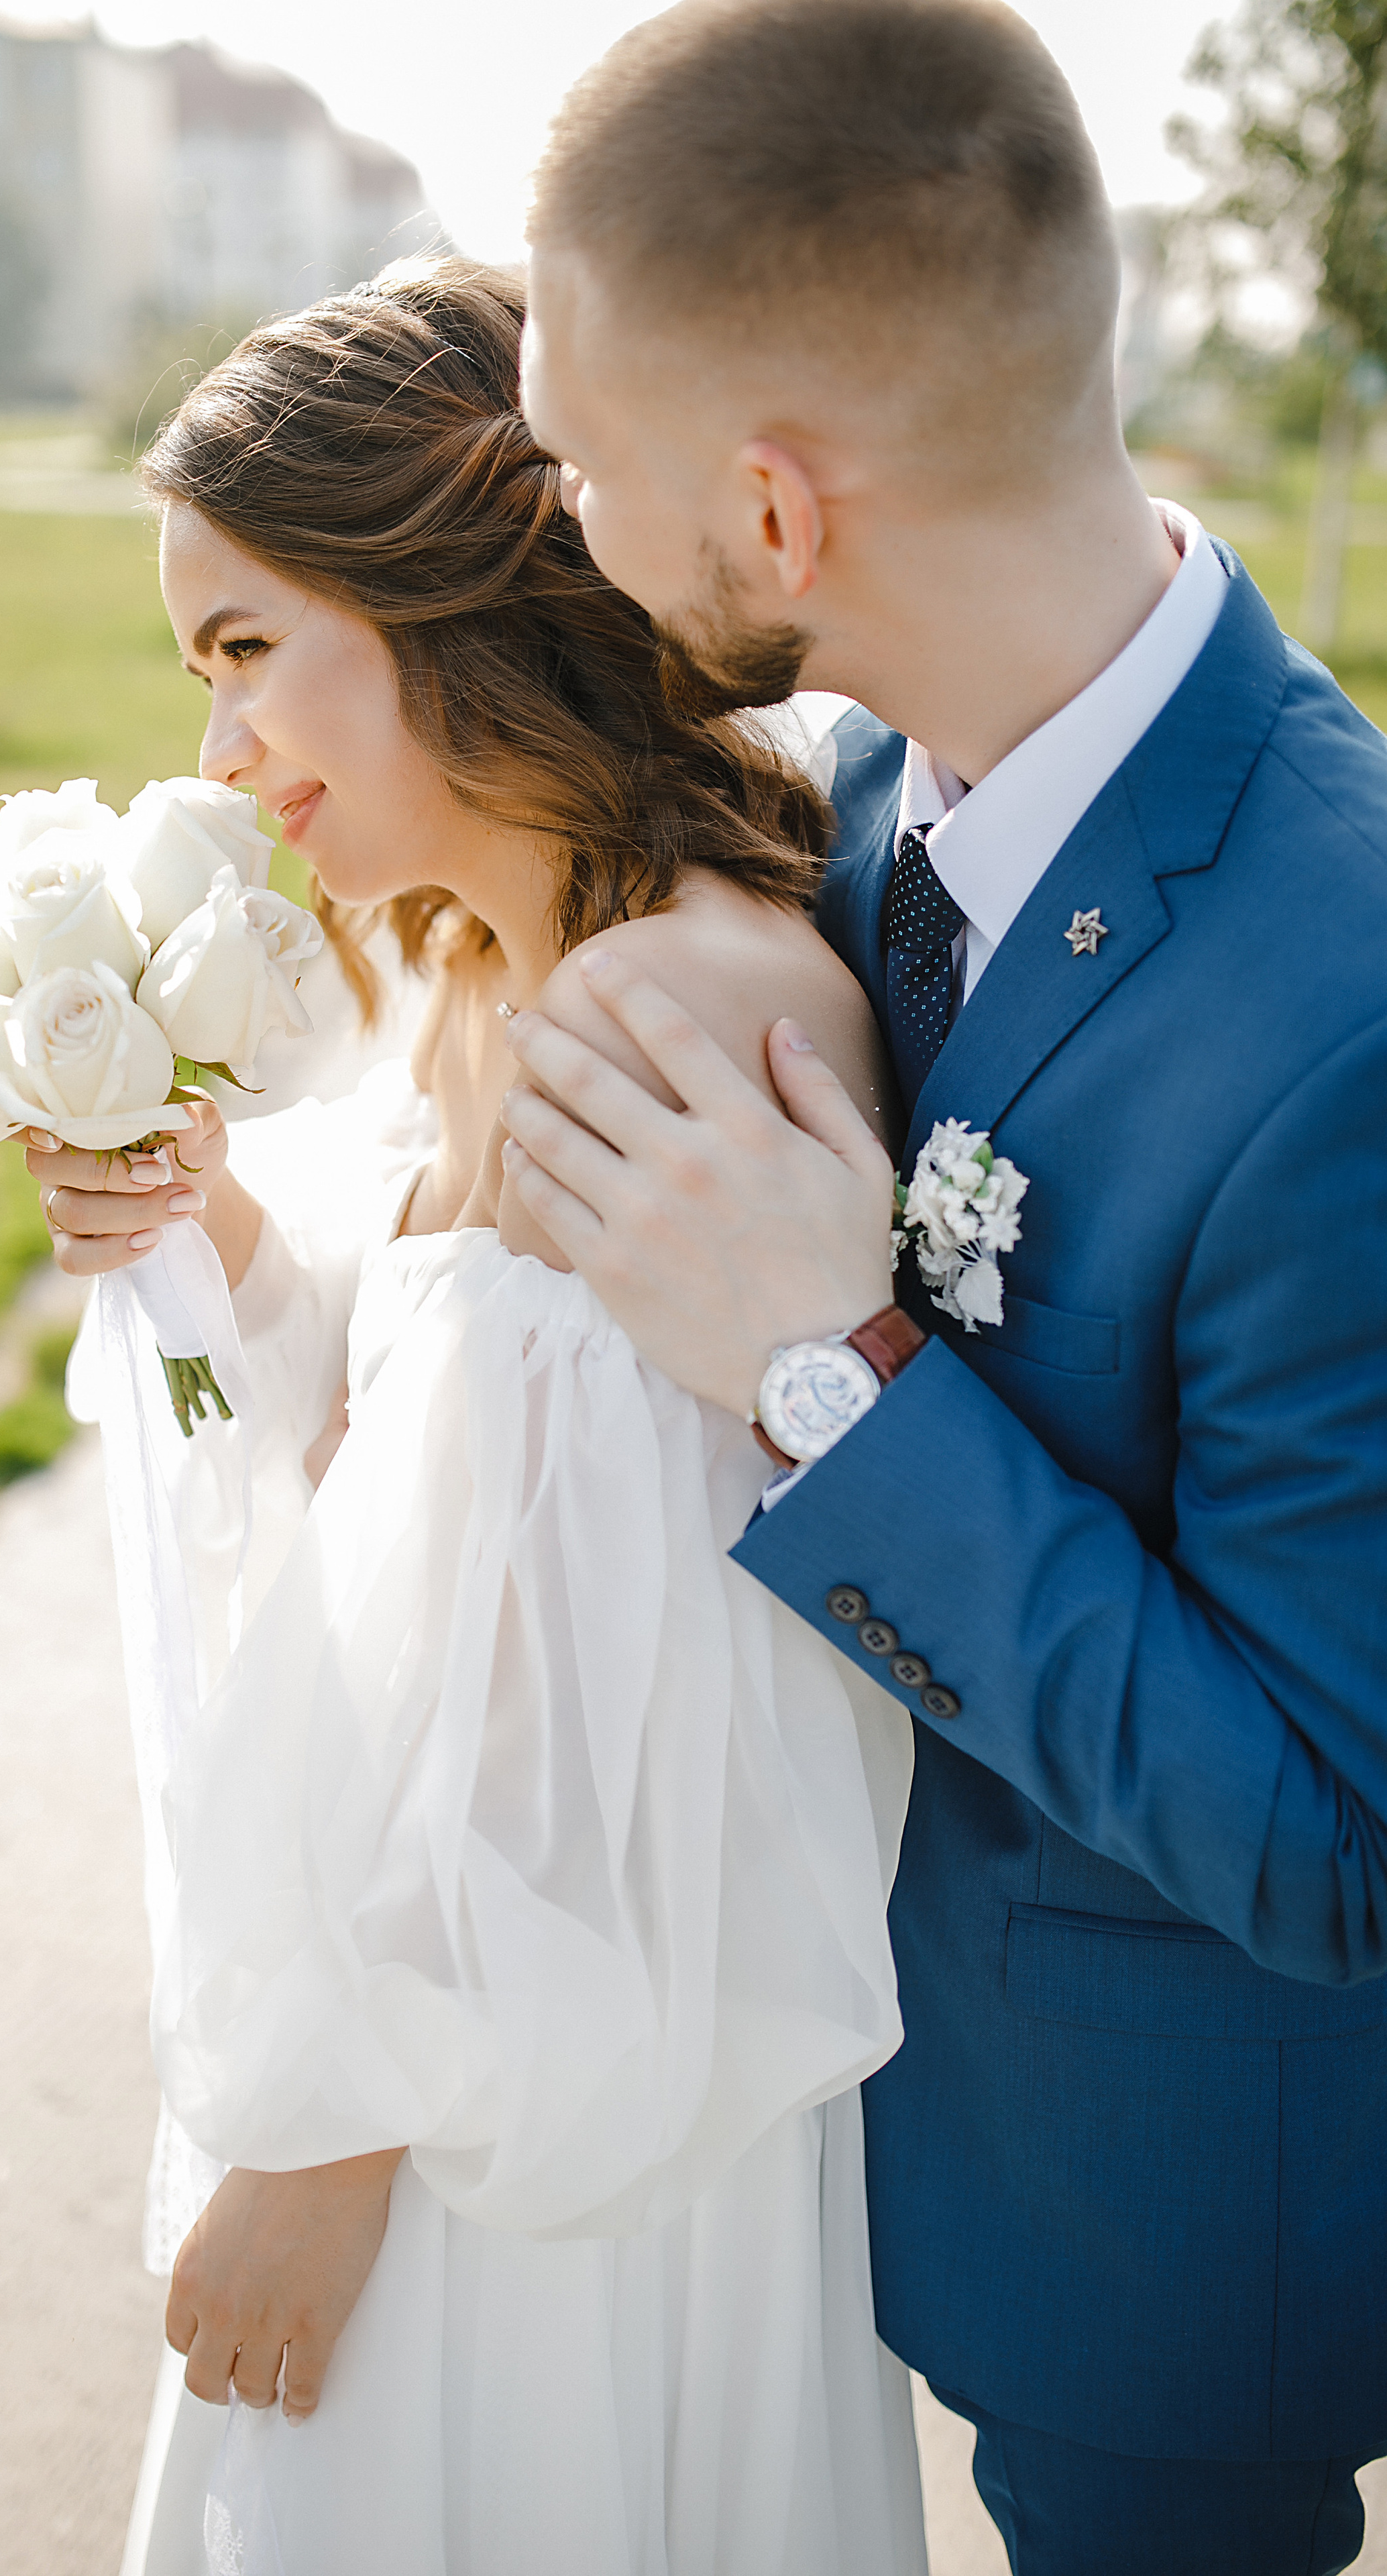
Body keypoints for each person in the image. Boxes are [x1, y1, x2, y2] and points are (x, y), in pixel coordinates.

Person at [487, 3, 1387, 2573]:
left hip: (1156, 2262)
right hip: (819, 2121)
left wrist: (834, 1366)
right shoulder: (855, 801)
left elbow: (1346, 1838)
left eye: (574, 461)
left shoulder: (1355, 1011)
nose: (563, 516)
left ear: (771, 510)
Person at [30, 260, 928, 2573]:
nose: (218, 751)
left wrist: (324, 2163)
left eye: (247, 648)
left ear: (451, 588)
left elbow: (635, 1726)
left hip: (526, 2143)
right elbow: (431, 1487)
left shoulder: (670, 1016)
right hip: (450, 2054)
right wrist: (213, 1231)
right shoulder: (493, 975)